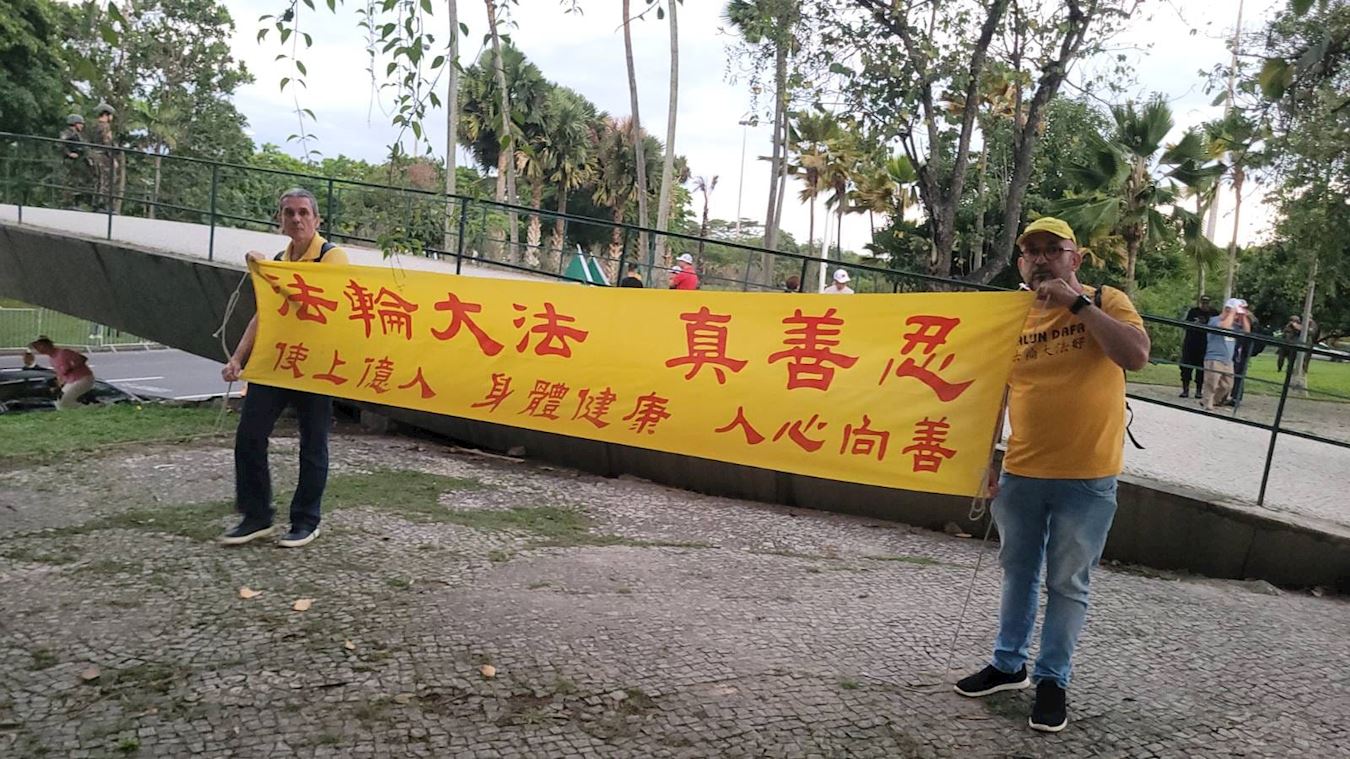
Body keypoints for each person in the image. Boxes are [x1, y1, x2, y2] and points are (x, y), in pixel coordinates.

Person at [954, 217, 1149, 734]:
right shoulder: (1011, 315)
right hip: (1021, 471)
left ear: (1075, 258)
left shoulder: (1107, 300)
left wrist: (1077, 305)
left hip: (1088, 476)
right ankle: (1008, 664)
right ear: (1020, 263)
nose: (1040, 259)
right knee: (1018, 571)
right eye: (1030, 252)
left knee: (1067, 582)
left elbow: (1136, 356)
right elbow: (992, 394)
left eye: (1051, 250)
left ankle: (1052, 680)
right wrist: (984, 460)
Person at [220, 188, 349, 548]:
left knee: (313, 444)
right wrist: (238, 358)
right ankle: (256, 515)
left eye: (303, 212)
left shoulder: (332, 257)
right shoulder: (280, 260)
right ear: (280, 220)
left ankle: (306, 520)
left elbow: (320, 302)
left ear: (317, 219)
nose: (296, 219)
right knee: (249, 435)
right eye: (289, 212)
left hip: (316, 366)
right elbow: (264, 316)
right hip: (277, 363)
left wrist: (270, 274)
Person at [1201, 298, 1251, 411]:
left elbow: (1247, 331)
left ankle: (1211, 401)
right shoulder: (1214, 320)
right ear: (1227, 309)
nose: (1236, 316)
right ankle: (1208, 403)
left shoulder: (1234, 325)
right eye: (1236, 313)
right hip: (1214, 357)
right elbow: (1224, 326)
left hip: (1228, 360)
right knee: (1212, 383)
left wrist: (1243, 316)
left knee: (1227, 385)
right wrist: (1232, 312)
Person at [27, 337, 96, 410]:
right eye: (36, 348)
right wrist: (58, 386)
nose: (39, 350)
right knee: (58, 402)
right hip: (70, 381)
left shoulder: (64, 352)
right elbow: (60, 375)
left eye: (40, 346)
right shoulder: (52, 359)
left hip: (83, 378)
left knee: (63, 402)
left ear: (48, 344)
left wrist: (70, 368)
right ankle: (83, 409)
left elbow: (82, 358)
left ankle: (94, 407)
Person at [1179, 294, 1215, 398]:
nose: (1205, 305)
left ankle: (1199, 390)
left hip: (1205, 345)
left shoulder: (1214, 313)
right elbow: (1186, 324)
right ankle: (1185, 389)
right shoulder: (1193, 312)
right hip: (1190, 344)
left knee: (1201, 369)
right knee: (1186, 368)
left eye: (1207, 303)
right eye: (1203, 302)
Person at [1229, 302, 1263, 405]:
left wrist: (1245, 317)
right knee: (1233, 371)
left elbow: (1250, 332)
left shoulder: (1251, 319)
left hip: (1243, 349)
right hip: (1235, 347)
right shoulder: (1235, 317)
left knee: (1239, 372)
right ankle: (1230, 395)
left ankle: (1236, 397)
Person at [90, 102, 118, 211]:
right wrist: (112, 158)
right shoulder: (105, 126)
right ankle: (103, 204)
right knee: (106, 180)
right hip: (103, 157)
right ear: (106, 114)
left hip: (95, 155)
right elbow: (107, 143)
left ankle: (96, 202)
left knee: (98, 180)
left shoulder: (94, 126)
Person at [57, 115, 89, 208]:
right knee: (69, 182)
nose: (82, 126)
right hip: (69, 161)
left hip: (78, 161)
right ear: (74, 123)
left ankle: (75, 203)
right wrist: (69, 153)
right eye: (80, 124)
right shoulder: (68, 133)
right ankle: (68, 203)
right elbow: (60, 144)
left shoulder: (77, 134)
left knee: (77, 182)